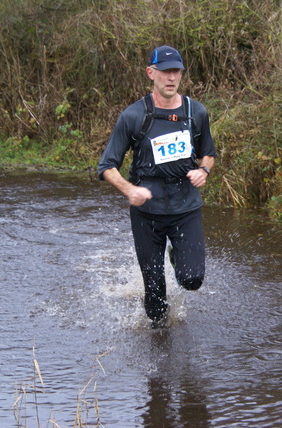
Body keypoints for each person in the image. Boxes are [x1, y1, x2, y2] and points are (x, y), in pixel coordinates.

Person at [98, 45, 217, 327]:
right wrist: (130, 190)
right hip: (147, 212)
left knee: (191, 279)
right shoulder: (134, 116)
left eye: (176, 71)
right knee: (155, 304)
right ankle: (161, 356)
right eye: (165, 72)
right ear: (151, 73)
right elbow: (106, 167)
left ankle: (177, 254)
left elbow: (209, 153)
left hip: (185, 206)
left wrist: (204, 170)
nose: (171, 78)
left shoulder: (195, 112)